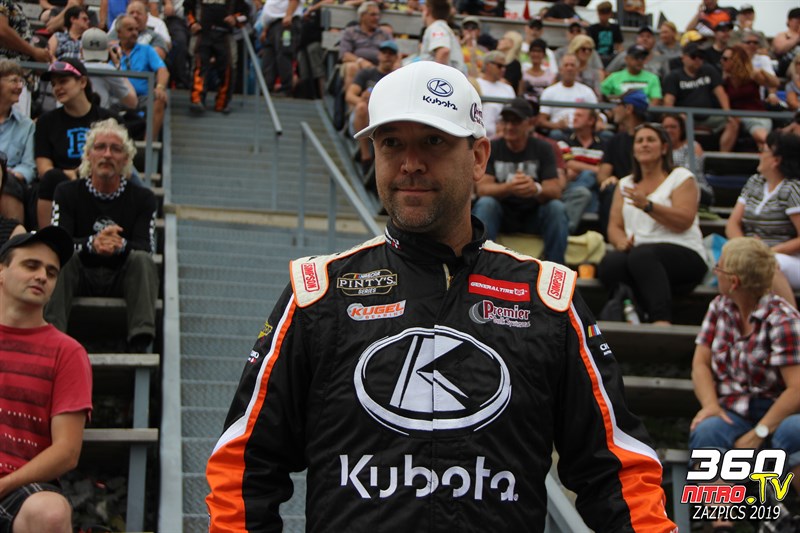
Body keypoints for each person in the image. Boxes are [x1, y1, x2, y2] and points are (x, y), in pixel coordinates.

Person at [205, 59, 676, 533]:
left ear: (478, 157)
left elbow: (618, 472)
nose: (410, 163)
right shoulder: (318, 293)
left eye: (434, 141)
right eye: (392, 143)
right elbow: (243, 466)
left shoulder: (548, 299)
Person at [689, 237, 800, 531]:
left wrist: (759, 431)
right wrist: (710, 406)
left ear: (734, 281)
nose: (715, 272)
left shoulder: (783, 319)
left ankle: (782, 515)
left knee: (793, 432)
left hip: (778, 412)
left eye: (719, 268)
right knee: (708, 430)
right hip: (732, 410)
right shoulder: (719, 307)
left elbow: (797, 389)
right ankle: (720, 524)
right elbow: (700, 363)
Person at [0, 225, 92, 533]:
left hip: (18, 488)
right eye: (31, 265)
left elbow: (67, 451)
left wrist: (4, 484)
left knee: (50, 513)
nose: (42, 276)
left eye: (51, 272)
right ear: (1, 272)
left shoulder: (67, 352)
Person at [45, 118, 158, 353]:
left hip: (122, 276)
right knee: (61, 258)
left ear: (126, 159)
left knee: (142, 261)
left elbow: (147, 248)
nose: (107, 154)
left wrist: (120, 245)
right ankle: (51, 337)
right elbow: (57, 243)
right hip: (80, 274)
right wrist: (92, 244)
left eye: (115, 149)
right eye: (100, 147)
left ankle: (140, 341)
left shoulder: (144, 198)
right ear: (88, 155)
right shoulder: (66, 192)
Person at [598, 123, 708, 325]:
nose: (644, 145)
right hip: (639, 256)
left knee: (643, 256)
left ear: (664, 148)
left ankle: (661, 319)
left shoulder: (681, 177)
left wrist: (649, 206)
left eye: (650, 140)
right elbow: (614, 226)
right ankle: (632, 312)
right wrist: (620, 242)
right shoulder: (625, 184)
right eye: (639, 141)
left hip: (684, 252)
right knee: (611, 264)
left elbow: (684, 220)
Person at [472, 97, 570, 264]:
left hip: (534, 214)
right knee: (486, 203)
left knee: (556, 208)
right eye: (506, 121)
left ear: (529, 123)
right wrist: (509, 187)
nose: (509, 126)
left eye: (516, 122)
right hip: (502, 215)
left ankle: (556, 267)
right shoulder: (493, 147)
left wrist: (536, 189)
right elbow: (482, 189)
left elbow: (555, 190)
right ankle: (478, 264)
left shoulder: (543, 148)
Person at [34, 59, 113, 230]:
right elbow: (44, 169)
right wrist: (70, 174)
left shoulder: (108, 119)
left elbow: (118, 160)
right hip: (61, 183)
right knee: (51, 178)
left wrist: (83, 173)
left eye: (63, 81)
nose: (57, 88)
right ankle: (47, 238)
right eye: (54, 84)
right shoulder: (46, 122)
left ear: (82, 82)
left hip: (100, 179)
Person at [725, 130, 800, 306]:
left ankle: (792, 318)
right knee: (728, 265)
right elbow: (732, 223)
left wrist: (767, 252)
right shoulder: (754, 182)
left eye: (763, 150)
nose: (759, 154)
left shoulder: (792, 189)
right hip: (752, 253)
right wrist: (746, 249)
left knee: (766, 265)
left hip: (788, 257)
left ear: (776, 160)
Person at [596, 89, 648, 238]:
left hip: (648, 190)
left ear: (629, 108)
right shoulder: (615, 141)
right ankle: (613, 238)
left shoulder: (652, 140)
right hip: (621, 191)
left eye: (618, 104)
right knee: (610, 189)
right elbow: (602, 175)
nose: (614, 109)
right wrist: (609, 179)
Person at [345, 39, 397, 174]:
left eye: (391, 54)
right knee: (361, 107)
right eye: (384, 53)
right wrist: (364, 101)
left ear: (396, 58)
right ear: (379, 55)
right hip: (364, 117)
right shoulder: (366, 73)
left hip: (385, 116)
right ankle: (365, 156)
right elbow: (349, 95)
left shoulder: (397, 78)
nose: (387, 56)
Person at [186, 0, 246, 113]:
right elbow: (187, 8)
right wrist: (192, 23)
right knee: (199, 65)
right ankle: (196, 99)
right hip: (202, 33)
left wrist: (235, 19)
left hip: (225, 35)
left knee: (228, 67)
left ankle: (222, 103)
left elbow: (245, 14)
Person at [116, 14, 170, 136]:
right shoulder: (111, 51)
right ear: (119, 33)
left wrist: (160, 87)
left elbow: (162, 70)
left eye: (136, 29)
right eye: (130, 29)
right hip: (117, 96)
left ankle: (148, 143)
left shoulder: (147, 50)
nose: (134, 33)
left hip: (143, 98)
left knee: (159, 99)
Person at [719, 44, 779, 153]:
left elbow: (775, 83)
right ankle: (722, 159)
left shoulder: (751, 75)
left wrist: (761, 71)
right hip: (738, 117)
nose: (722, 61)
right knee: (733, 125)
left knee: (762, 139)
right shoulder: (725, 80)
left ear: (735, 61)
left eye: (725, 59)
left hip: (756, 116)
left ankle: (779, 150)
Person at [662, 42, 730, 133]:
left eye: (701, 57)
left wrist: (727, 114)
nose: (697, 59)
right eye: (693, 56)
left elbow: (721, 93)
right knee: (674, 124)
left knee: (733, 123)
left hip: (708, 117)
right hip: (684, 118)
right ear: (683, 57)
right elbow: (668, 101)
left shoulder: (709, 70)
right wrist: (675, 117)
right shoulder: (673, 76)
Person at [0, 59, 35, 225]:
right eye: (14, 80)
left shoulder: (26, 125)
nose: (20, 87)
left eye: (21, 81)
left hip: (10, 182)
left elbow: (29, 166)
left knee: (8, 183)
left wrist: (7, 175)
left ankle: (14, 238)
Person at [558, 106, 603, 229]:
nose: (574, 118)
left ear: (591, 121)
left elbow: (604, 171)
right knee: (589, 177)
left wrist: (578, 166)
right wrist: (595, 169)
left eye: (579, 115)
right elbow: (567, 164)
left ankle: (566, 228)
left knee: (587, 190)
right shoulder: (564, 141)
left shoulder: (603, 144)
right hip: (569, 186)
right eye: (574, 115)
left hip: (592, 189)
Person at [537, 54, 597, 141]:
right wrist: (556, 125)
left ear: (577, 69)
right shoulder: (549, 91)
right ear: (560, 69)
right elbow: (541, 120)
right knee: (555, 134)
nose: (569, 68)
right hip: (559, 131)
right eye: (566, 65)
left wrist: (600, 122)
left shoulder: (587, 91)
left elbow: (596, 114)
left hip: (583, 130)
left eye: (572, 65)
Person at [661, 112, 713, 206]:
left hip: (695, 188)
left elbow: (689, 172)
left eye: (673, 127)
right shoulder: (659, 149)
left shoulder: (693, 146)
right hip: (666, 188)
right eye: (666, 127)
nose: (669, 130)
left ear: (681, 129)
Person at [80, 27, 138, 110]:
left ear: (81, 51)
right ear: (108, 51)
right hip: (100, 116)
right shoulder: (108, 69)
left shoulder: (73, 67)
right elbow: (132, 102)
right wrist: (118, 67)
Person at [338, 2, 390, 92]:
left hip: (380, 65)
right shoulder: (351, 32)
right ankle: (352, 99)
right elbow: (344, 55)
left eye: (378, 15)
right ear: (362, 16)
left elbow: (394, 51)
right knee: (351, 67)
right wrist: (361, 61)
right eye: (373, 15)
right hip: (357, 64)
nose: (377, 18)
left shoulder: (384, 33)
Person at [257, 0, 303, 98]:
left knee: (283, 55)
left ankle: (286, 88)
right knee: (268, 57)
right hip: (272, 24)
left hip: (285, 21)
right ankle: (266, 88)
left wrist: (289, 15)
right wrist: (265, 29)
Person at [475, 50, 515, 139]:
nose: (503, 69)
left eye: (504, 67)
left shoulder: (508, 88)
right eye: (499, 66)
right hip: (476, 135)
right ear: (488, 65)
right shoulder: (475, 84)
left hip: (501, 137)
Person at [419, 0, 464, 73]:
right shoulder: (441, 27)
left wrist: (436, 76)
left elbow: (443, 51)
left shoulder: (437, 27)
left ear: (428, 11)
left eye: (423, 10)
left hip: (445, 77)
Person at [588, 1, 623, 67]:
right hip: (596, 58)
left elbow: (619, 46)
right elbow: (590, 46)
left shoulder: (615, 28)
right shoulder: (592, 28)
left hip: (611, 58)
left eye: (606, 14)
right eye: (602, 14)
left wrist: (618, 54)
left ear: (610, 14)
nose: (603, 17)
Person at [519, 38, 554, 103]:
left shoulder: (550, 76)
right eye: (533, 51)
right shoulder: (523, 74)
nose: (536, 54)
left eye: (539, 51)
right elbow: (520, 95)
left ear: (544, 54)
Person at [772, 7, 800, 78]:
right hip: (787, 65)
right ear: (789, 20)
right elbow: (779, 50)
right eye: (797, 19)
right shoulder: (782, 35)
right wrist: (797, 39)